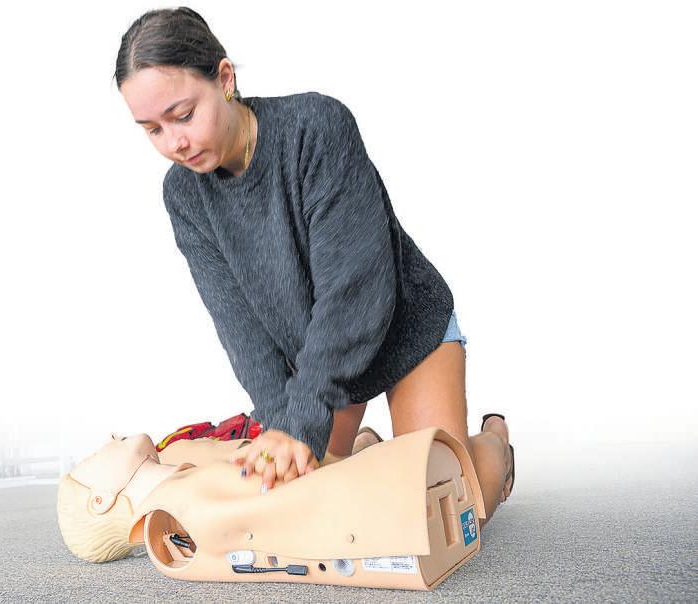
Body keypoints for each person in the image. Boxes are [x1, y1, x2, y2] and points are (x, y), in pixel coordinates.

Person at [113, 7, 514, 523]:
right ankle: (369, 450)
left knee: (441, 516)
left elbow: (356, 293)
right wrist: (280, 423)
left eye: (183, 115)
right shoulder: (183, 195)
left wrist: (301, 421)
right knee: (311, 500)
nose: (175, 143)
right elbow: (240, 328)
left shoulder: (316, 127)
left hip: (404, 330)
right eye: (152, 130)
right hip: (318, 359)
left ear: (225, 79)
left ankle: (497, 444)